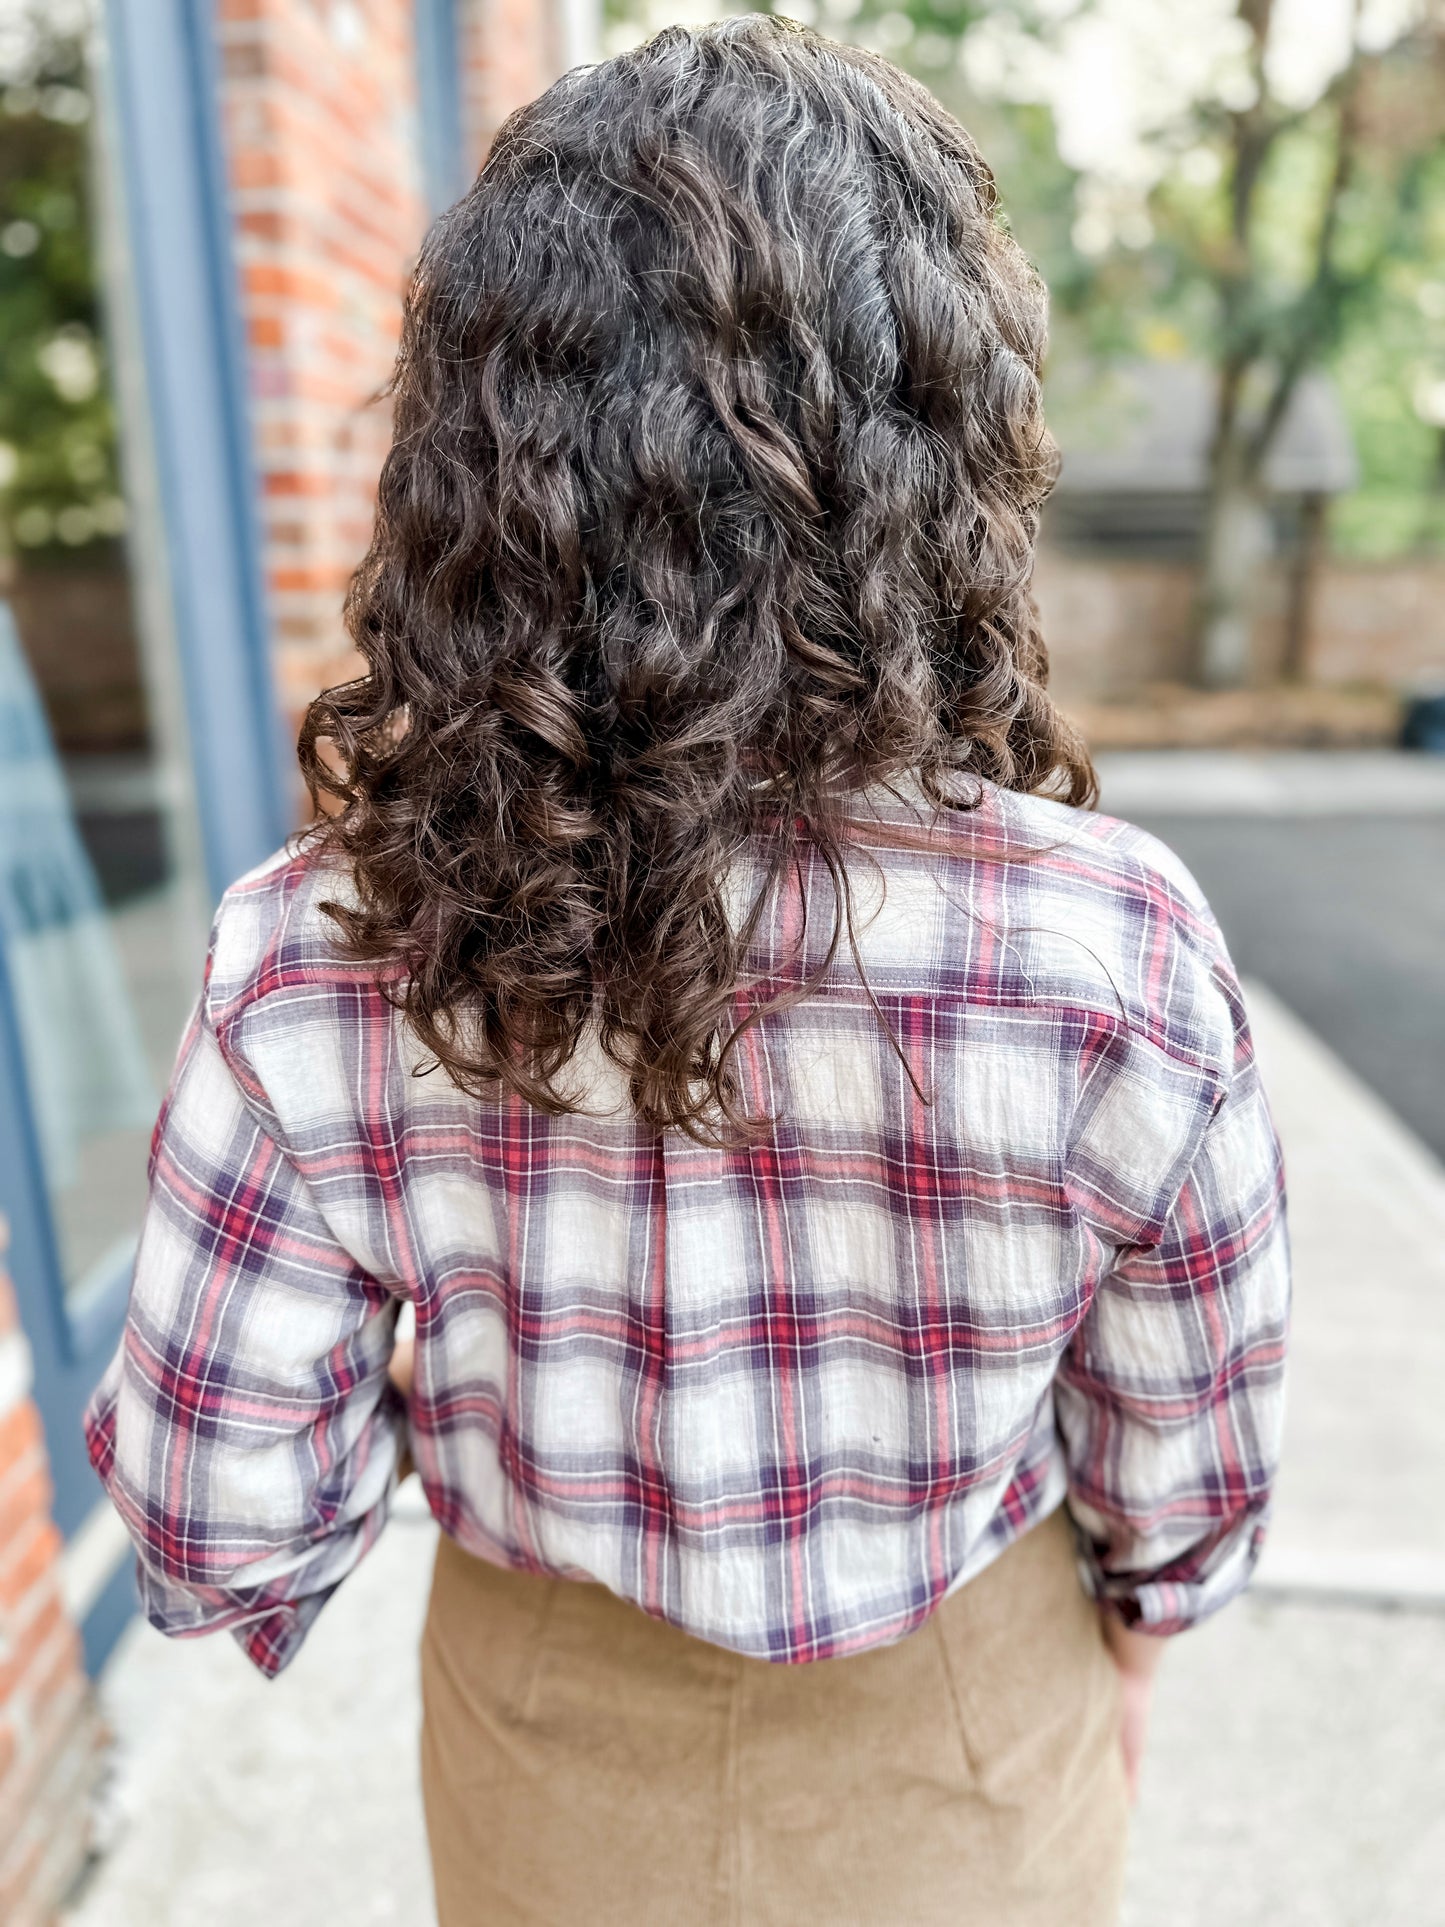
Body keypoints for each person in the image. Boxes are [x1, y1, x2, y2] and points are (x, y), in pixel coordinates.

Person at [85, 19, 1289, 1924]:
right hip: (968, 1733)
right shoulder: (1111, 949)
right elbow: (1188, 1459)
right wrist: (1131, 1654)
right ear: (938, 457)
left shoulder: (314, 955)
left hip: (544, 1735)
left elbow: (211, 1516)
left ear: (474, 462)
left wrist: (469, 1362)